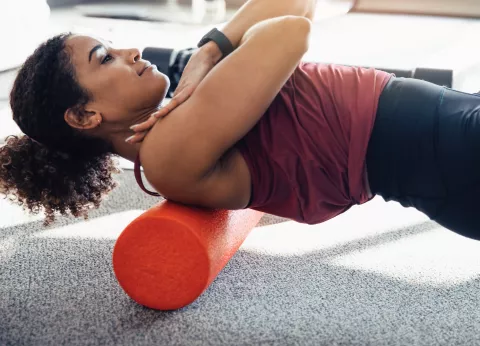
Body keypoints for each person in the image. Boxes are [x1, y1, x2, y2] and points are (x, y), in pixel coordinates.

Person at [1, 0, 480, 242]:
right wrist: (206, 59)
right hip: (448, 150)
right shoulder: (167, 155)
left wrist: (207, 51)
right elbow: (291, 32)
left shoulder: (178, 124)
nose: (132, 51)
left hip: (445, 130)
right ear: (85, 115)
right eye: (105, 58)